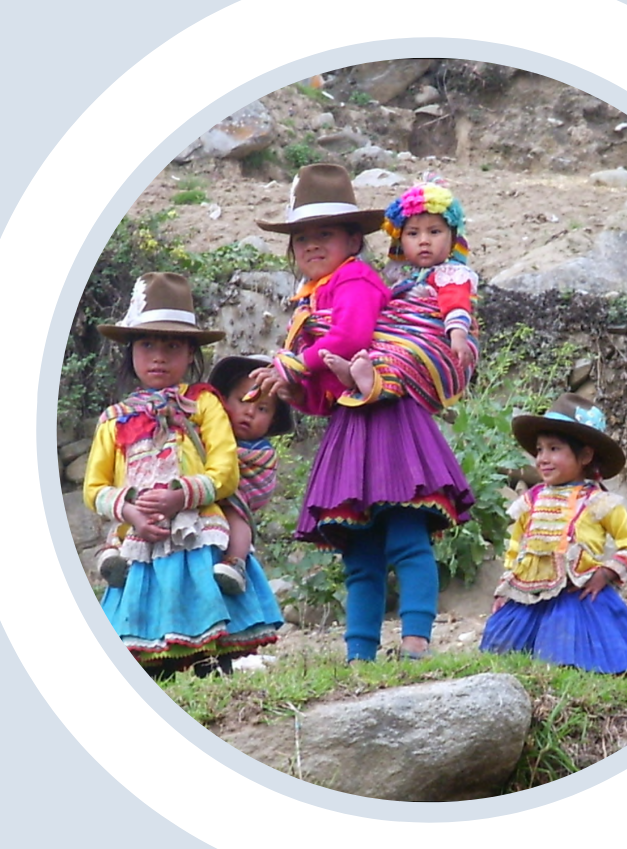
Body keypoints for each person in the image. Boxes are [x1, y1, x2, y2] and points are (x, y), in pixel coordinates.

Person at [251, 163, 475, 661]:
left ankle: (415, 641)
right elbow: (324, 388)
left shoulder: (354, 282)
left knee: (405, 533)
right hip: (352, 427)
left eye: (324, 235)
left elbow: (350, 339)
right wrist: (295, 390)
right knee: (361, 552)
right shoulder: (312, 302)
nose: (310, 245)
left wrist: (297, 363)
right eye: (302, 238)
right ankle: (360, 655)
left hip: (391, 423)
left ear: (354, 241)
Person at [83, 272, 284, 677]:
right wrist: (132, 512)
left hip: (199, 534)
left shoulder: (204, 405)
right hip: (143, 539)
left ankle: (219, 677)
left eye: (172, 345)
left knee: (214, 628)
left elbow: (225, 472)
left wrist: (181, 497)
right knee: (148, 641)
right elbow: (95, 488)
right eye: (147, 345)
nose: (159, 356)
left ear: (191, 352)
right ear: (131, 352)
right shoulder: (114, 420)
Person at [480, 393, 627, 676]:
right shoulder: (531, 500)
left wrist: (606, 573)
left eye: (554, 449)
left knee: (569, 647)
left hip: (577, 593)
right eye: (539, 450)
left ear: (585, 455)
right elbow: (517, 546)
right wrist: (506, 586)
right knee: (501, 644)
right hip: (530, 593)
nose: (543, 458)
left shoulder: (599, 502)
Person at [320, 177, 479, 413]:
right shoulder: (400, 279)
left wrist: (457, 336)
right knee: (376, 343)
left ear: (453, 237)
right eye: (413, 234)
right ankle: (358, 371)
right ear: (400, 240)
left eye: (434, 232)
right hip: (400, 334)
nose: (424, 241)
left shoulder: (451, 274)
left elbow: (455, 305)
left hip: (432, 339)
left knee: (405, 356)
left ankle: (374, 381)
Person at [207, 354, 294, 596]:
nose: (250, 412)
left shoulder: (260, 453)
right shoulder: (206, 435)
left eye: (262, 408)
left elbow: (256, 487)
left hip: (232, 505)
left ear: (272, 420)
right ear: (223, 401)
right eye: (243, 400)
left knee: (237, 512)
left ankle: (236, 561)